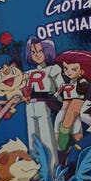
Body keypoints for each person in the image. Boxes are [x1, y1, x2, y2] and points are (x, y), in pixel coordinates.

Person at [24, 36, 64, 170]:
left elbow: (62, 88)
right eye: (33, 52)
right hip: (29, 106)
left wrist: (56, 99)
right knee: (32, 139)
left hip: (44, 104)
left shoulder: (53, 69)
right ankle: (36, 170)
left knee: (47, 138)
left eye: (39, 51)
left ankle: (53, 170)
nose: (36, 55)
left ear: (47, 51)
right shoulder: (28, 73)